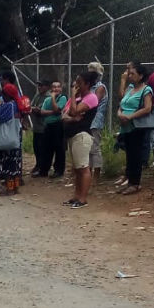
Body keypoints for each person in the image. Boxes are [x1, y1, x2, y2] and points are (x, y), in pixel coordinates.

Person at [62, 72, 99, 208]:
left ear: (87, 84)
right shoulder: (78, 99)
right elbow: (65, 114)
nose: (76, 85)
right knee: (76, 169)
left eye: (79, 83)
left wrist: (72, 95)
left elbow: (73, 111)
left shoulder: (91, 98)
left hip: (82, 135)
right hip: (72, 135)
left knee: (83, 167)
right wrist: (72, 117)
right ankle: (76, 196)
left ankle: (82, 198)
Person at [117, 63, 153, 195]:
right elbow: (121, 103)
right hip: (125, 126)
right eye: (129, 74)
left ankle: (135, 183)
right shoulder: (130, 89)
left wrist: (131, 116)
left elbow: (147, 108)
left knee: (136, 154)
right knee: (129, 154)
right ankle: (129, 181)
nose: (130, 76)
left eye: (133, 74)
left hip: (136, 126)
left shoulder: (146, 90)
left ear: (141, 75)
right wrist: (120, 113)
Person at [0, 83, 21, 196]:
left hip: (6, 141)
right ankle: (16, 187)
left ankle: (9, 189)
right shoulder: (17, 105)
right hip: (15, 139)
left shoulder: (8, 106)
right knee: (15, 165)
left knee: (7, 165)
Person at [38, 81, 67, 178]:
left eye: (58, 87)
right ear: (51, 89)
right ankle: (43, 170)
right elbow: (42, 112)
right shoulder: (47, 100)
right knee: (46, 149)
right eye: (54, 87)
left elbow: (57, 109)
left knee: (59, 148)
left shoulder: (62, 98)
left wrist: (54, 98)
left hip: (58, 125)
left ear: (61, 89)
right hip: (48, 125)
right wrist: (53, 112)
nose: (56, 89)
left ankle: (58, 170)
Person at [86, 63, 108, 183]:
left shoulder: (100, 87)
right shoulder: (90, 87)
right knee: (88, 147)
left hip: (95, 120)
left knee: (95, 147)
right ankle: (88, 173)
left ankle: (97, 174)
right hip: (89, 120)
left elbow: (93, 103)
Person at [30, 80, 51, 175]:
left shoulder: (49, 97)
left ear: (47, 87)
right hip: (36, 126)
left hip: (44, 126)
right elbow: (31, 106)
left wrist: (34, 109)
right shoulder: (37, 95)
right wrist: (33, 109)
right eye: (38, 85)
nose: (39, 87)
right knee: (36, 147)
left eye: (41, 85)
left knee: (43, 148)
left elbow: (40, 110)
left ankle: (43, 168)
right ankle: (38, 164)